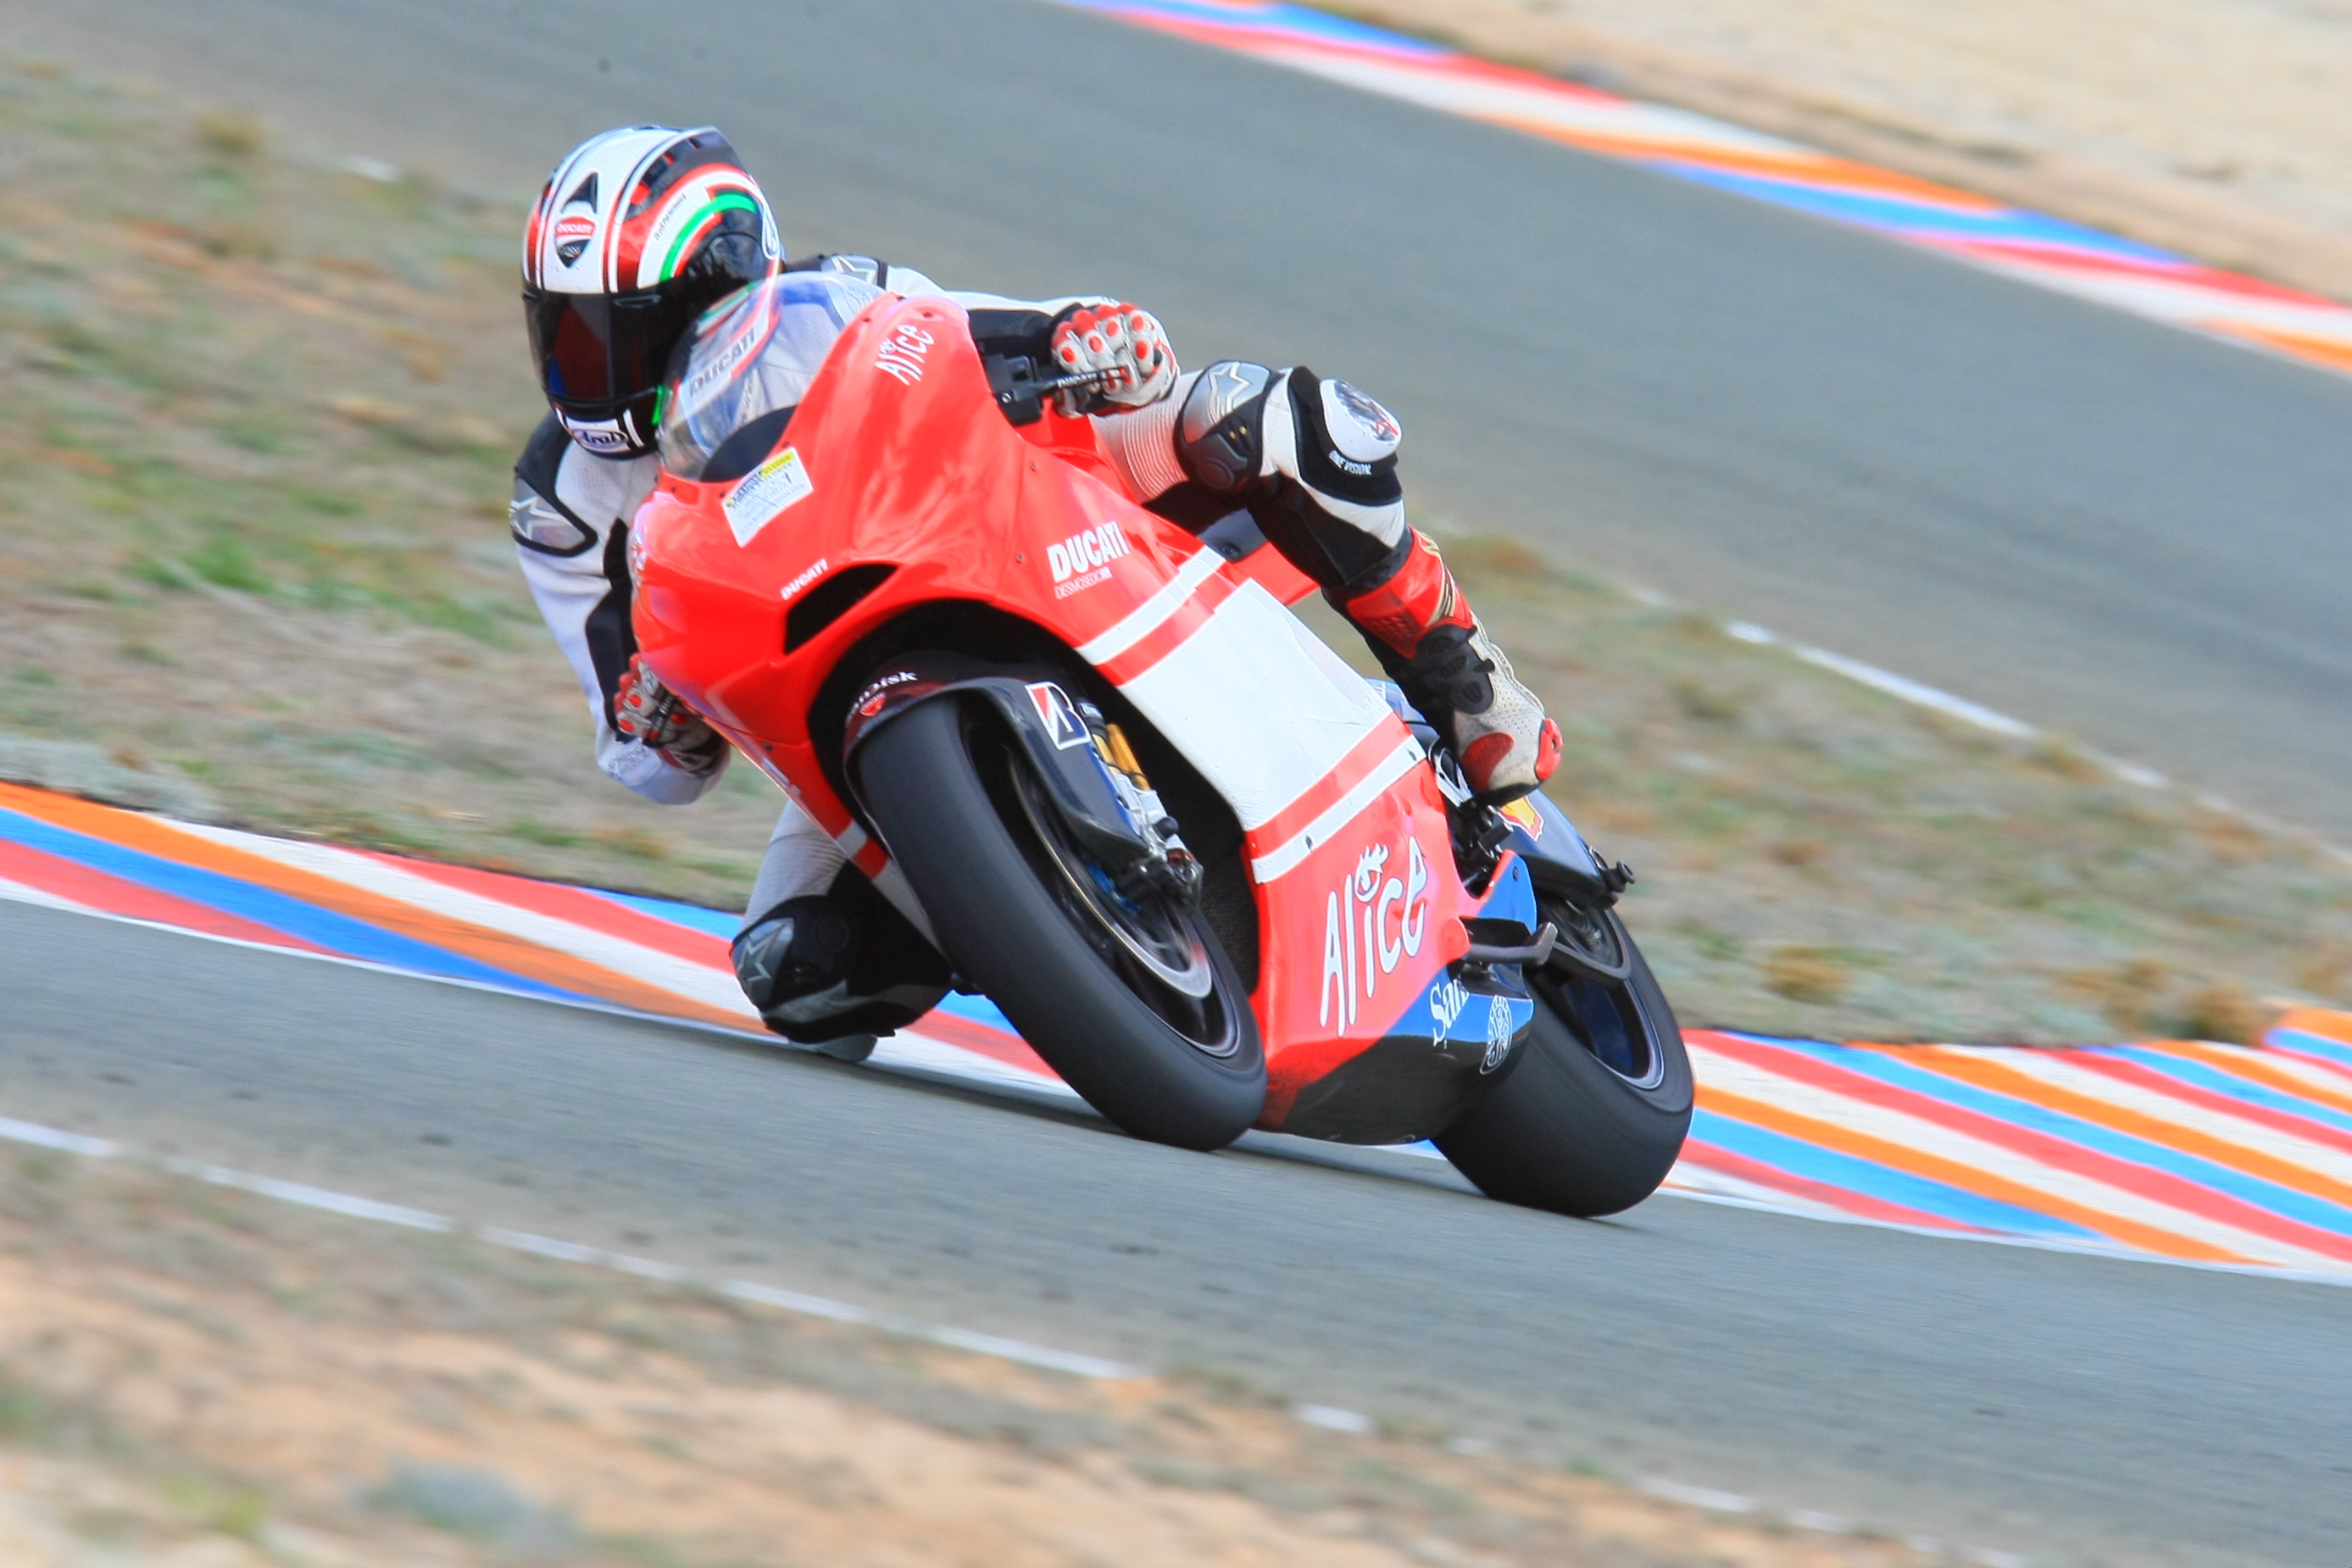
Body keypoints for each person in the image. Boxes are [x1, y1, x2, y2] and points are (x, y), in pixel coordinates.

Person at [510, 125, 1562, 1054]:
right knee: (798, 971)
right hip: (833, 686)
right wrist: (657, 724)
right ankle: (1034, 915)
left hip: (1011, 524)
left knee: (1261, 420)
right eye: (564, 333)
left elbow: (987, 334)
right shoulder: (560, 500)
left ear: (719, 284)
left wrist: (1083, 337)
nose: (589, 370)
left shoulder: (840, 302)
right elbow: (646, 758)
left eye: (617, 333)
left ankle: (1460, 677)